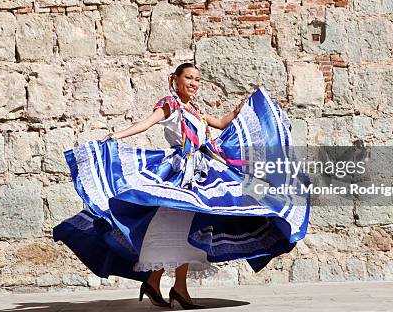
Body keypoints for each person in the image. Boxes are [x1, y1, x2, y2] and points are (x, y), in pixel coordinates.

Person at [53, 62, 310, 309]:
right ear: (175, 79)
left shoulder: (195, 108)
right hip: (180, 171)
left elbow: (220, 124)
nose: (193, 83)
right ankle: (173, 287)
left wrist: (242, 109)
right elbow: (147, 123)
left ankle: (161, 283)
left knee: (189, 225)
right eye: (188, 78)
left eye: (197, 79)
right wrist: (116, 135)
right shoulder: (170, 105)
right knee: (179, 224)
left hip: (202, 169)